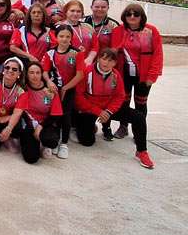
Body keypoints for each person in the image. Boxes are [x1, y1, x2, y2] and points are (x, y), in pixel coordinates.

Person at [74, 48, 154, 168]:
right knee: (87, 142)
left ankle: (142, 151)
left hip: (107, 109)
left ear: (115, 63)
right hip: (91, 109)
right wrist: (98, 111)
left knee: (139, 117)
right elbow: (78, 98)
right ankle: (87, 126)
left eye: (110, 60)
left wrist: (108, 111)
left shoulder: (116, 75)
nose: (106, 63)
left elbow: (119, 97)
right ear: (99, 59)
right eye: (104, 59)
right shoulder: (87, 72)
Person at [110, 3, 163, 140]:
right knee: (123, 101)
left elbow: (158, 55)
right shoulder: (118, 31)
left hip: (144, 75)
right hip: (124, 74)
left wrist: (153, 75)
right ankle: (123, 127)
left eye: (136, 14)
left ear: (141, 16)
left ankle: (139, 130)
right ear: (124, 16)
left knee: (141, 103)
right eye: (129, 14)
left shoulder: (151, 31)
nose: (132, 17)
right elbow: (113, 53)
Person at [42, 25, 85, 159]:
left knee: (66, 116)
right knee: (53, 115)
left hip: (68, 90)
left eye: (67, 36)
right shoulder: (50, 53)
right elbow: (44, 72)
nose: (64, 39)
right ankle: (52, 141)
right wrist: (49, 82)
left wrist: (66, 88)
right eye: (61, 36)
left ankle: (64, 143)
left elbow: (80, 75)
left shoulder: (77, 53)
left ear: (71, 37)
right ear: (56, 37)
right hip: (53, 89)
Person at [20, 61, 62, 162]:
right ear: (26, 74)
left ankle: (43, 143)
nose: (35, 76)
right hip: (28, 122)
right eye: (31, 72)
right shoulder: (23, 87)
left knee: (51, 141)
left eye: (38, 73)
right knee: (31, 159)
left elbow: (56, 114)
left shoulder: (50, 90)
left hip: (45, 123)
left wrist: (40, 126)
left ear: (41, 74)